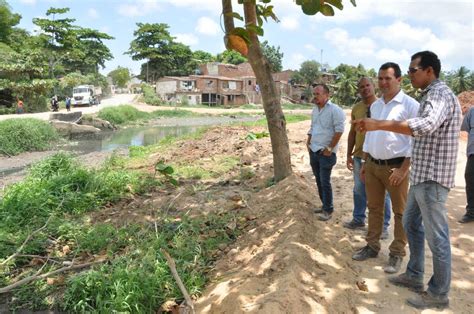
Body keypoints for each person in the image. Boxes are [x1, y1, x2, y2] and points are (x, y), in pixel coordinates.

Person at [354, 51, 461, 309]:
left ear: (429, 71)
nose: (411, 74)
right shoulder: (428, 95)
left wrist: (380, 124)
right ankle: (414, 274)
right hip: (422, 176)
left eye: (413, 70)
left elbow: (424, 127)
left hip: (432, 177)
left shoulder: (438, 94)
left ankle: (438, 293)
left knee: (437, 238)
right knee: (412, 223)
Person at [352, 62, 419, 276]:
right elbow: (371, 134)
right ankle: (372, 246)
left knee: (400, 213)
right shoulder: (377, 105)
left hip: (396, 168)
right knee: (374, 208)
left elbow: (416, 141)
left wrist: (404, 169)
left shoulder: (410, 105)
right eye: (380, 78)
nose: (383, 82)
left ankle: (397, 252)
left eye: (388, 78)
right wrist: (365, 162)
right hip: (373, 165)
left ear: (399, 80)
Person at [345, 77, 392, 239]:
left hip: (376, 157)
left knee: (381, 194)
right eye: (361, 87)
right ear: (358, 90)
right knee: (358, 189)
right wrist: (348, 155)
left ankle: (384, 227)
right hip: (358, 156)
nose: (365, 89)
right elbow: (352, 133)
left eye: (368, 85)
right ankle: (358, 219)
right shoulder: (357, 108)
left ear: (373, 87)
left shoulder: (382, 107)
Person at [307, 84, 345, 221]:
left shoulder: (335, 110)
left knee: (325, 181)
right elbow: (313, 127)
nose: (315, 96)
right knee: (318, 180)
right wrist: (308, 141)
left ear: (327, 95)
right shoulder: (315, 110)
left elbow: (339, 131)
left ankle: (328, 210)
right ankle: (324, 205)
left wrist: (329, 148)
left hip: (326, 154)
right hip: (314, 150)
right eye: (314, 93)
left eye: (318, 94)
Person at [459, 105, 474, 223]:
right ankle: (471, 212)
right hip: (473, 154)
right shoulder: (472, 111)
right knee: (470, 181)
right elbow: (466, 128)